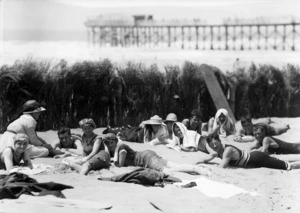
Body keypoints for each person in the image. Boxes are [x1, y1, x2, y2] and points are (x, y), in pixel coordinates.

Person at [103, 134, 212, 177]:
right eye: (108, 143)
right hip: (148, 155)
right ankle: (198, 169)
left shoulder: (121, 148)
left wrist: (111, 161)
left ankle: (199, 170)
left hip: (146, 158)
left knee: (168, 171)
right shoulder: (118, 148)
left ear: (116, 141)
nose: (110, 145)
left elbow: (120, 165)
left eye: (112, 143)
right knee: (174, 166)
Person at [197, 135, 300, 170]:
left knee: (287, 167)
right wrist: (197, 164)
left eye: (216, 143)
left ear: (220, 141)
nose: (214, 146)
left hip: (258, 159)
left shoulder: (227, 151)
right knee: (282, 162)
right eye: (212, 145)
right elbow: (207, 159)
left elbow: (221, 168)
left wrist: (205, 167)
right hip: (255, 159)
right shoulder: (218, 151)